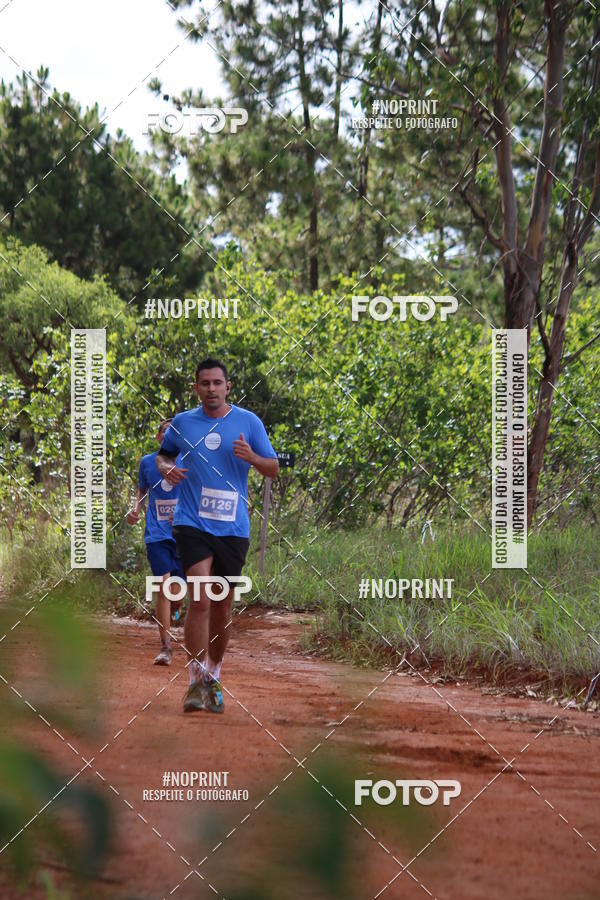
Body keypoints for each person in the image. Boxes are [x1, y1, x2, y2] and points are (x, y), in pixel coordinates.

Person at [156, 358, 279, 714]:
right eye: (204, 383)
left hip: (232, 527)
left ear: (228, 387)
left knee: (222, 605)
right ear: (196, 388)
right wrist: (168, 469)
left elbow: (273, 468)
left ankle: (213, 675)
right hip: (192, 522)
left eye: (217, 383)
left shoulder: (248, 422)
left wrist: (252, 456)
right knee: (200, 599)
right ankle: (194, 681)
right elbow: (163, 457)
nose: (211, 389)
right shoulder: (183, 423)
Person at [127, 418, 186, 666]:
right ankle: (165, 647)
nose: (170, 435)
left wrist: (183, 513)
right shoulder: (147, 462)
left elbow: (197, 493)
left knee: (177, 592)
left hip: (183, 534)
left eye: (175, 432)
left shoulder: (189, 460)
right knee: (164, 586)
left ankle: (175, 607)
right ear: (159, 437)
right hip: (157, 534)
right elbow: (142, 490)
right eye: (165, 432)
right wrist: (135, 509)